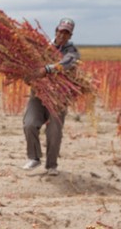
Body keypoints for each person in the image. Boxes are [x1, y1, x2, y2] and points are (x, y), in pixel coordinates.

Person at [22, 17, 80, 175]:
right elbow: (30, 65)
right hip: (39, 95)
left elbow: (68, 63)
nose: (62, 35)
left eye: (66, 33)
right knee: (29, 124)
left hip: (58, 98)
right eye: (60, 31)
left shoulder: (71, 51)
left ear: (70, 35)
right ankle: (34, 158)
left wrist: (47, 69)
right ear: (56, 30)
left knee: (54, 132)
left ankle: (51, 166)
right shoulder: (43, 47)